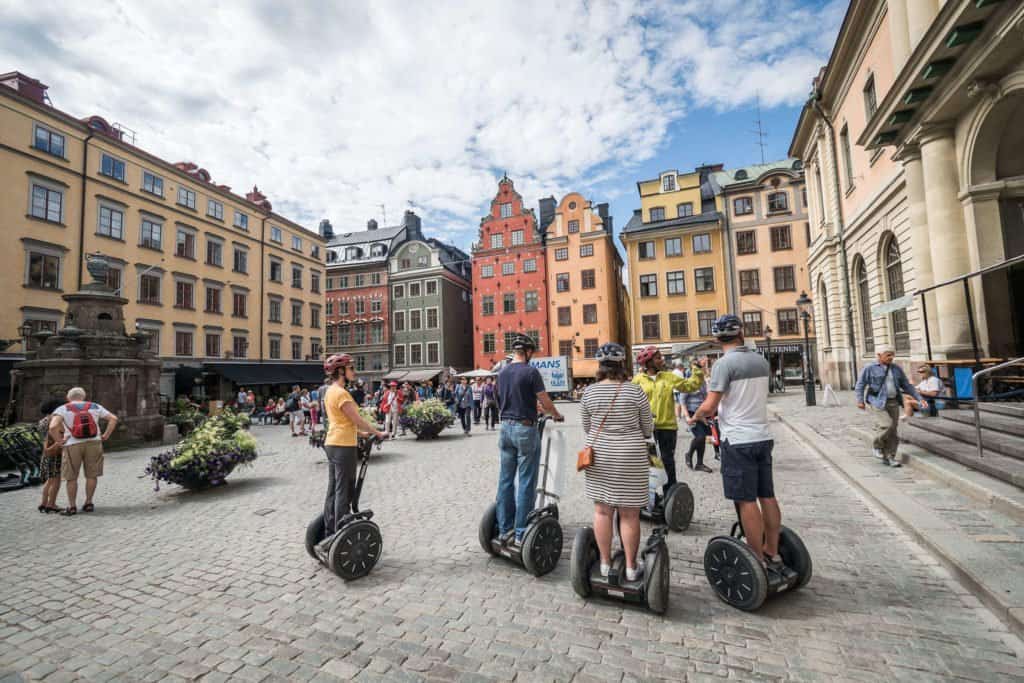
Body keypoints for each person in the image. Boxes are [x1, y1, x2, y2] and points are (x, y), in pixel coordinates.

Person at [689, 314, 788, 576]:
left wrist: (695, 416)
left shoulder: (724, 364)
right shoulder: (760, 360)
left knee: (745, 500)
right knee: (767, 495)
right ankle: (772, 550)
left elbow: (710, 405)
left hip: (738, 438)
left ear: (717, 338)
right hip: (762, 435)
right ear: (741, 333)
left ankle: (754, 556)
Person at [581, 343, 653, 581]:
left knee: (602, 511)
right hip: (631, 455)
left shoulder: (589, 392)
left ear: (600, 366)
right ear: (622, 365)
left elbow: (587, 427)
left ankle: (604, 563)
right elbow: (647, 428)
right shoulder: (635, 391)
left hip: (600, 454)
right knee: (630, 514)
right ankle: (632, 567)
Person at [494, 333, 564, 545]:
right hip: (525, 429)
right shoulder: (531, 372)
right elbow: (545, 400)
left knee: (505, 480)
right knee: (526, 480)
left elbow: (502, 400)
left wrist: (528, 407)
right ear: (527, 352)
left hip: (505, 427)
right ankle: (521, 532)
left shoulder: (502, 372)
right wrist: (556, 414)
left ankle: (504, 528)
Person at [320, 354, 388, 541]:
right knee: (345, 490)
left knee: (333, 488)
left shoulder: (329, 391)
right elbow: (357, 420)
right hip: (343, 446)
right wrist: (378, 432)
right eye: (351, 368)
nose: (354, 371)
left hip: (332, 442)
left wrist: (363, 434)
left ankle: (330, 529)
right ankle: (340, 530)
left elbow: (341, 421)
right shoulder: (342, 393)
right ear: (341, 371)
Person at [631, 346, 705, 496]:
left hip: (667, 428)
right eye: (658, 358)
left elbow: (691, 386)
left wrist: (697, 370)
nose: (662, 360)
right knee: (649, 464)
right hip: (646, 429)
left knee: (667, 462)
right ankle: (649, 498)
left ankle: (670, 496)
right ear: (649, 362)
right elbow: (631, 402)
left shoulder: (668, 376)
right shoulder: (638, 380)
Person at [50, 387, 118, 516]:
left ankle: (72, 506)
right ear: (83, 396)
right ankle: (88, 503)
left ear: (68, 398)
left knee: (71, 477)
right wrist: (106, 435)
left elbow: (53, 426)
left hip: (72, 444)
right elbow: (113, 418)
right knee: (92, 475)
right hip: (94, 442)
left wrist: (59, 441)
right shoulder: (94, 406)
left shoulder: (63, 408)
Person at [854, 345, 926, 467]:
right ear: (879, 355)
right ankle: (877, 446)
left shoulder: (896, 369)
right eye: (888, 355)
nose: (891, 357)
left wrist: (919, 398)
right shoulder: (869, 368)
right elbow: (860, 384)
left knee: (893, 430)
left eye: (892, 355)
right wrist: (860, 400)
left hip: (893, 401)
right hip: (877, 401)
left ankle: (890, 457)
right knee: (886, 425)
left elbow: (906, 385)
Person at [37, 397, 66, 513]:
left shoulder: (43, 421)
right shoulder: (54, 421)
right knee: (56, 480)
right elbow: (60, 435)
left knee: (49, 480)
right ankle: (51, 504)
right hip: (55, 454)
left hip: (46, 453)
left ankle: (43, 503)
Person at [680, 376, 713, 473]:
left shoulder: (702, 382)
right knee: (700, 436)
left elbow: (706, 398)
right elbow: (682, 402)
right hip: (691, 413)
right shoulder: (687, 383)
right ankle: (689, 454)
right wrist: (687, 417)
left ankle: (699, 464)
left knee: (702, 438)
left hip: (702, 413)